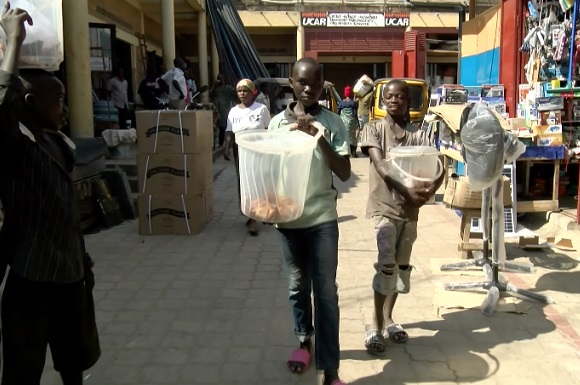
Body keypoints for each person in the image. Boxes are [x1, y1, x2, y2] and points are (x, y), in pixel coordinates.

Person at [0, 3, 100, 384]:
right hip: (32, 275)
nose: (65, 108)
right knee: (24, 368)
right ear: (29, 103)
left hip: (70, 273)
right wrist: (13, 43)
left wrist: (83, 260)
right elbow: (0, 108)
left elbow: (67, 211)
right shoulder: (14, 149)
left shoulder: (60, 145)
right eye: (58, 100)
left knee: (74, 358)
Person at [268, 57, 351, 385]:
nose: (308, 88)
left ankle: (331, 370)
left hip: (321, 219)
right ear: (291, 82)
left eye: (315, 83)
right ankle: (304, 341)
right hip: (288, 221)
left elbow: (344, 172)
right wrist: (265, 206)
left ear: (322, 85)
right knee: (297, 285)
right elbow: (270, 171)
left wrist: (317, 136)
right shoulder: (276, 124)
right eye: (302, 82)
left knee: (326, 292)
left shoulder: (332, 122)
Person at [359, 79, 443, 355]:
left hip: (410, 212)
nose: (394, 101)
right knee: (387, 263)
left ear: (409, 101)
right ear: (383, 101)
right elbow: (382, 166)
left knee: (401, 268)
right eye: (389, 97)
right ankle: (376, 323)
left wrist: (428, 191)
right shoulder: (373, 129)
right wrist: (406, 190)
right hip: (384, 207)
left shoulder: (419, 136)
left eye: (400, 97)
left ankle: (389, 316)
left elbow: (438, 166)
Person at [223, 79, 270, 236]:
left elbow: (269, 130)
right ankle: (251, 217)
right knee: (244, 184)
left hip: (258, 151)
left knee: (258, 182)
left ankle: (258, 214)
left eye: (245, 91)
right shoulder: (233, 111)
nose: (242, 94)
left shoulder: (261, 109)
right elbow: (229, 132)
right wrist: (226, 148)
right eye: (239, 91)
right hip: (240, 152)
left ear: (252, 92)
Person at [210, 73, 237, 147]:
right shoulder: (215, 88)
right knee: (214, 127)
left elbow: (235, 92)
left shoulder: (227, 88)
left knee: (223, 127)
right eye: (219, 78)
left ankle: (221, 144)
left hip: (224, 110)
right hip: (215, 110)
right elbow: (210, 94)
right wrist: (214, 85)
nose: (220, 80)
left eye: (221, 78)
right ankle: (214, 144)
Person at [337, 85, 359, 157]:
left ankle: (346, 152)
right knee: (352, 137)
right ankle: (354, 153)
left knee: (344, 137)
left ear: (345, 94)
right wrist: (357, 123)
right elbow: (355, 114)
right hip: (351, 122)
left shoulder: (341, 103)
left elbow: (338, 113)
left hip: (343, 122)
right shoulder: (353, 103)